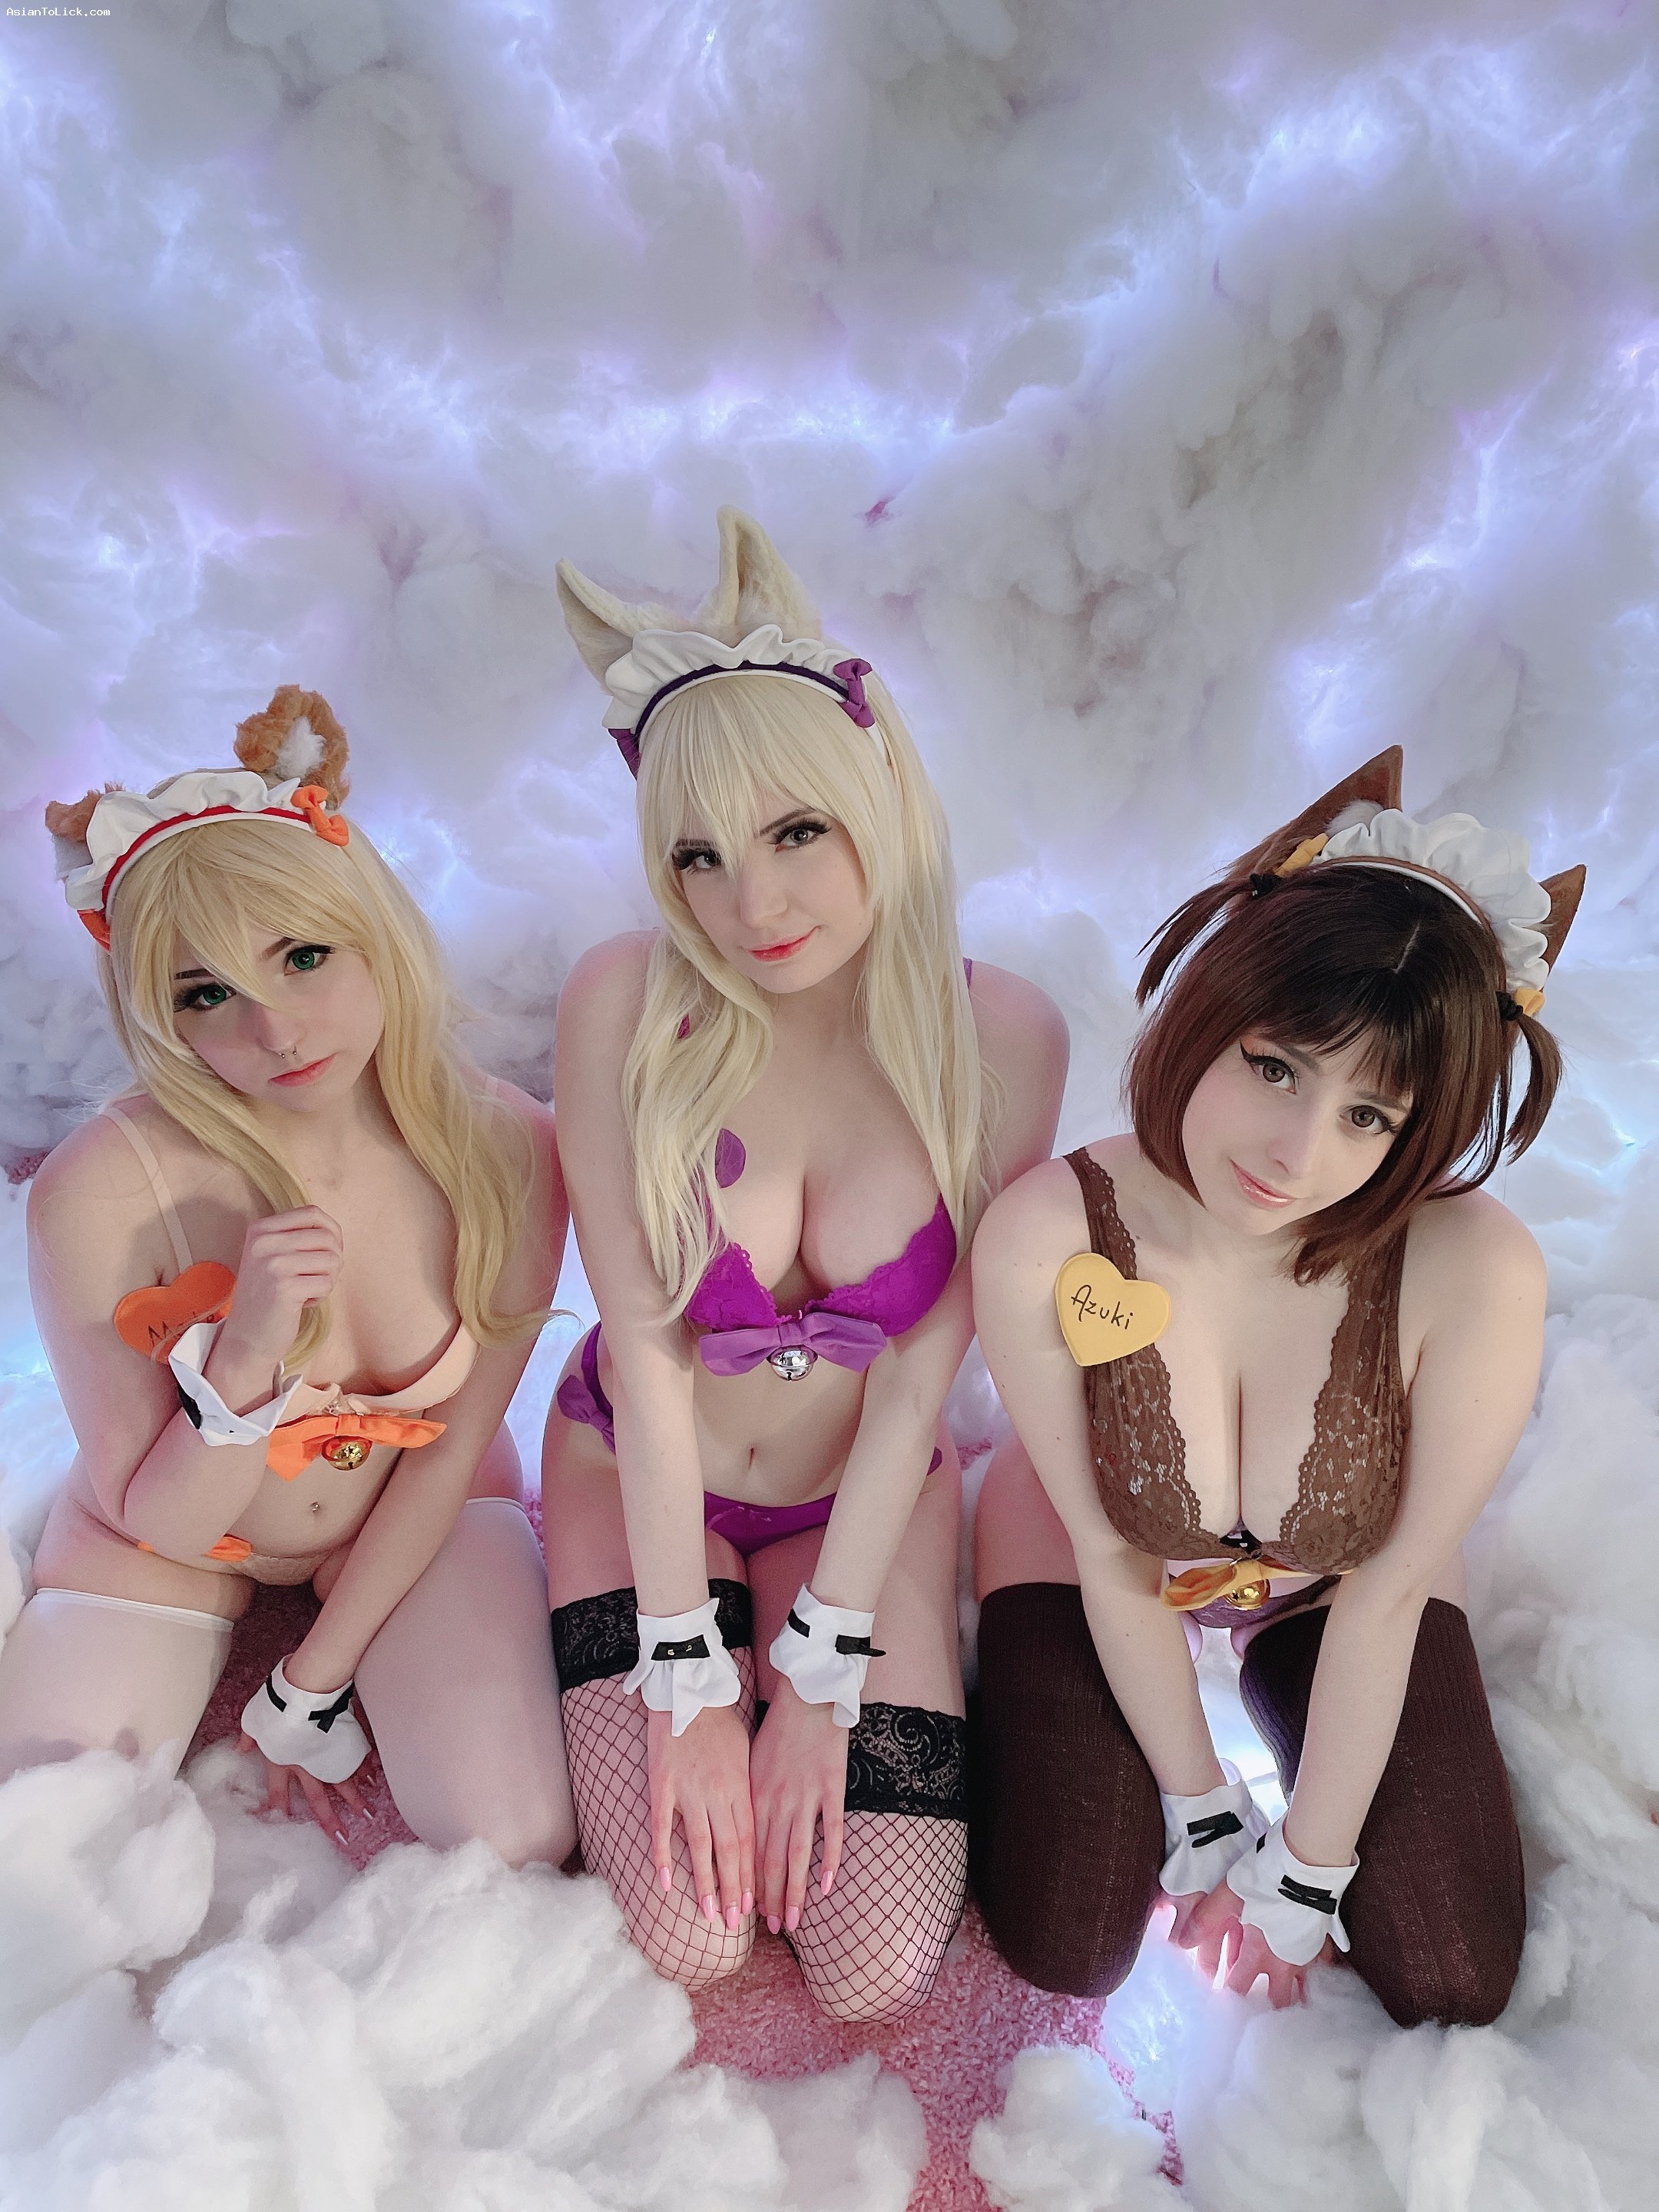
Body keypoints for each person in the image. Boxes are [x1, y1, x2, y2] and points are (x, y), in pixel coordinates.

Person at [544, 508, 1066, 2019]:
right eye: (698, 858)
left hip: (870, 1496)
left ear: (875, 796)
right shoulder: (622, 1005)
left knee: (876, 1956)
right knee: (687, 1933)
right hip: (641, 1476)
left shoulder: (1002, 1038)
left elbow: (917, 1380)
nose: (750, 908)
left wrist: (821, 1679)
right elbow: (648, 1361)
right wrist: (689, 1683)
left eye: (795, 835)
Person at [969, 747, 1583, 2027]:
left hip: (1343, 1582)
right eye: (1277, 1066)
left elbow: (1390, 1586)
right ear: (1214, 1012)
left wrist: (1305, 1867)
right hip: (1099, 1552)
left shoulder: (1471, 1269)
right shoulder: (1048, 1234)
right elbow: (1112, 1556)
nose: (1297, 1155)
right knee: (1070, 1934)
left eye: (1371, 1117)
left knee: (1452, 1967)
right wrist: (1205, 1813)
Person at [0, 688, 575, 1869]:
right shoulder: (97, 1193)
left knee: (513, 1838)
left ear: (375, 932)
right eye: (206, 994)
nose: (275, 1031)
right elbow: (161, 1515)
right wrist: (247, 1358)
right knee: (36, 1852)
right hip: (163, 1538)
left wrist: (313, 1680)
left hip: (418, 1515)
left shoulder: (508, 1147)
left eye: (304, 957)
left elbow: (454, 1445)